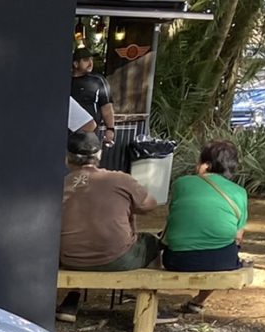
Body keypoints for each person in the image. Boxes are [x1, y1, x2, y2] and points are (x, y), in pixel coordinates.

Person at [57, 129, 159, 321]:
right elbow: (150, 205)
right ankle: (151, 308)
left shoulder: (60, 185)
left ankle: (71, 300)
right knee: (152, 243)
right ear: (99, 155)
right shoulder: (120, 179)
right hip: (117, 259)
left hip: (71, 259)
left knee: (82, 233)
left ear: (67, 158)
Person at [161, 139, 248, 314]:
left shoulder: (181, 184)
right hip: (222, 261)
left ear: (205, 165)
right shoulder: (240, 192)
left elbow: (176, 216)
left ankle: (153, 300)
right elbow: (238, 236)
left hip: (177, 260)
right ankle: (199, 300)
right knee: (227, 248)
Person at [71, 46, 117, 147]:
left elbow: (107, 107)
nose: (90, 63)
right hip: (66, 132)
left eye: (91, 60)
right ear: (75, 63)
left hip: (89, 134)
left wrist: (110, 129)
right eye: (86, 60)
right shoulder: (65, 80)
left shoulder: (98, 80)